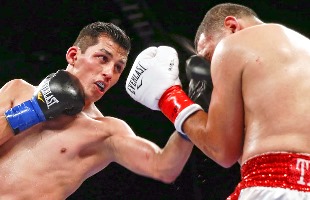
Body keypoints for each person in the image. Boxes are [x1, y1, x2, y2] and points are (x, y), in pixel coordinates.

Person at [125, 3, 310, 199]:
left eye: (208, 56)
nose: (211, 69)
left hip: (274, 185)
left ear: (231, 26)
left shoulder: (233, 44)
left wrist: (169, 98)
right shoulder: (302, 50)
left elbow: (221, 151)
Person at [0, 21, 194, 199]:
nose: (109, 73)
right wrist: (34, 110)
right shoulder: (17, 90)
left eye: (118, 68)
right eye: (103, 58)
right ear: (74, 55)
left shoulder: (104, 132)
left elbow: (163, 167)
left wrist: (188, 112)